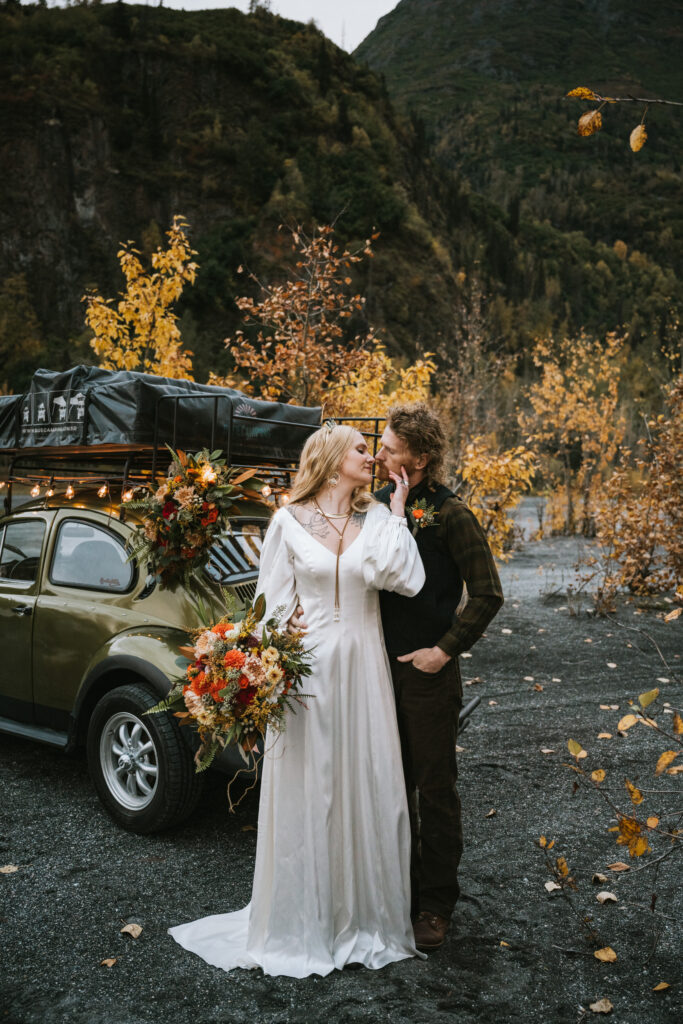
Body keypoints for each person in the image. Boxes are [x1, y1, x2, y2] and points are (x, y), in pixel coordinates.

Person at [168, 424, 426, 978]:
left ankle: (364, 919)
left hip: (362, 667)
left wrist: (399, 507)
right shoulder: (286, 520)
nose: (372, 456)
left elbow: (403, 578)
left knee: (367, 783)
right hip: (306, 673)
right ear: (333, 460)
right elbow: (269, 603)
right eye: (362, 448)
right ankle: (303, 921)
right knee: (312, 788)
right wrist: (284, 632)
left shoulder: (376, 517)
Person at [291, 403, 503, 953]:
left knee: (434, 789)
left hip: (427, 674)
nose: (379, 452)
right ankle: (394, 894)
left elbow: (488, 593)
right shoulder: (376, 505)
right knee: (386, 785)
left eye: (387, 446)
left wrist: (445, 649)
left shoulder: (452, 513)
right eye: (376, 446)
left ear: (420, 456)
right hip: (372, 672)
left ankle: (435, 905)